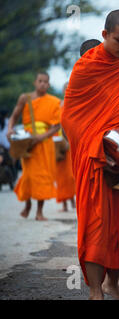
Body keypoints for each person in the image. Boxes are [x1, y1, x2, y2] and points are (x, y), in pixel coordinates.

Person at [61, 9, 119, 300]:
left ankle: (114, 284)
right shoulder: (84, 68)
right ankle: (94, 290)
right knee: (96, 224)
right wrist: (96, 138)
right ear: (104, 35)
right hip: (94, 157)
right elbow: (70, 118)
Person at [7, 71, 61, 221]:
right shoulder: (25, 98)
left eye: (45, 82)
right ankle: (28, 204)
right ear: (35, 82)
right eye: (40, 81)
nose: (42, 84)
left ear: (48, 85)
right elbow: (14, 116)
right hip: (28, 143)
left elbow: (57, 126)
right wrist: (10, 128)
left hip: (44, 143)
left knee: (42, 177)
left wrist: (42, 137)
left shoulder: (54, 101)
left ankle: (39, 211)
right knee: (29, 176)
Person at [55, 82, 76, 212]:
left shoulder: (75, 104)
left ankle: (73, 200)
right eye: (66, 89)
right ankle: (64, 204)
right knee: (61, 177)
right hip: (60, 144)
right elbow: (56, 124)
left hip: (71, 143)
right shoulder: (60, 106)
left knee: (71, 175)